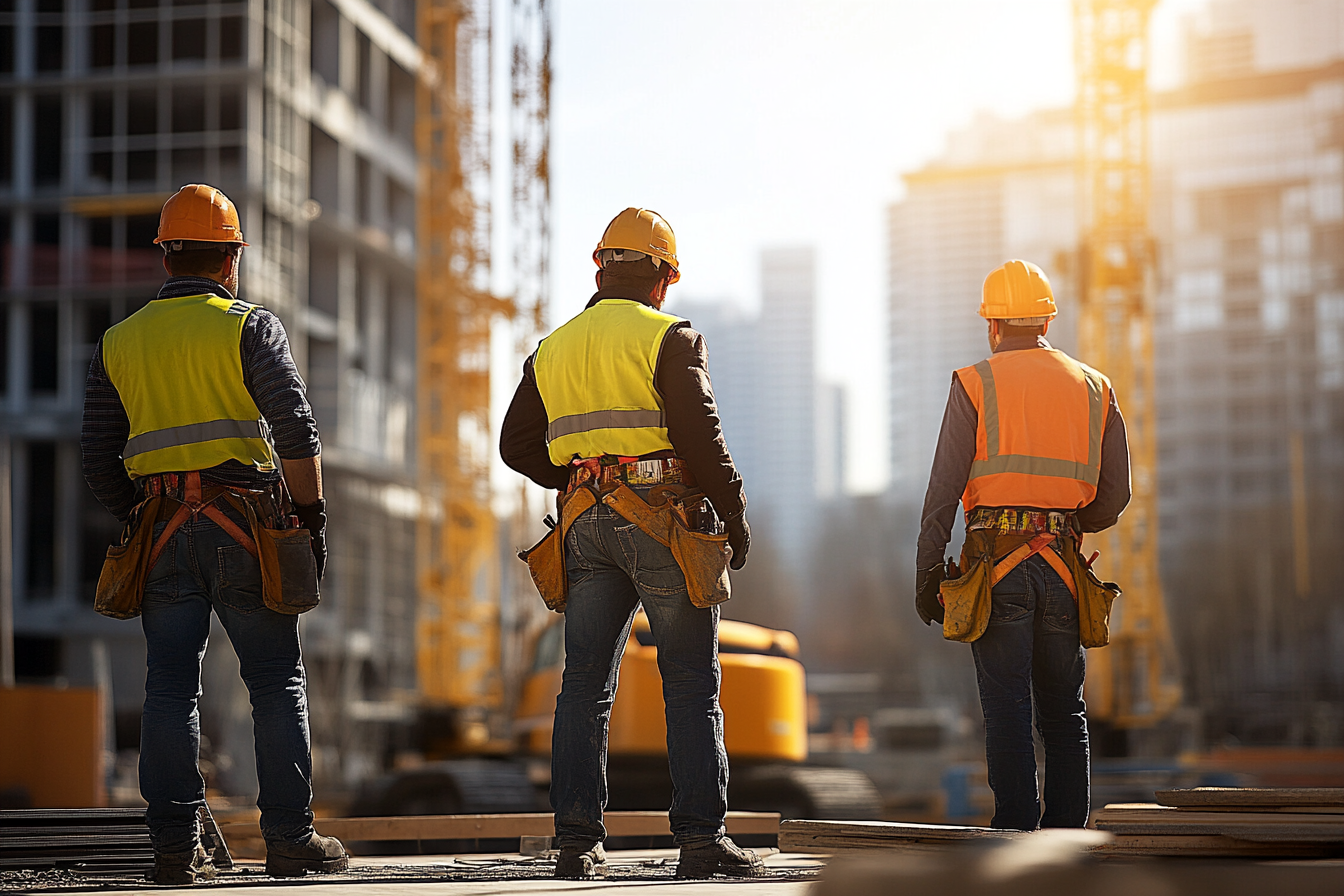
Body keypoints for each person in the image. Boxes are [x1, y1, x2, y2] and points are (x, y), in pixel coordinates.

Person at [81, 184, 346, 883]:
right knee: (276, 682)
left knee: (170, 688)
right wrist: (310, 519)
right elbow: (296, 430)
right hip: (246, 527)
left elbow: (96, 455)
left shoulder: (119, 341)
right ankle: (289, 841)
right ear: (231, 260)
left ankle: (173, 847)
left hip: (163, 529)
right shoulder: (247, 325)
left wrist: (137, 514)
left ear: (166, 256)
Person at [500, 208, 762, 879]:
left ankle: (576, 846)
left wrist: (584, 477)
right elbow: (701, 437)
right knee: (691, 685)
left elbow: (515, 445)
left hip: (585, 524)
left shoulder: (552, 346)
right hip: (663, 522)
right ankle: (701, 841)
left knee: (583, 688)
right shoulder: (669, 337)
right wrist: (732, 513)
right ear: (661, 279)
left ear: (599, 269)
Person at [914, 259, 1131, 831]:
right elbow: (1115, 498)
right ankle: (1067, 841)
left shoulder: (974, 382)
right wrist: (1065, 522)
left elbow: (942, 491)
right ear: (1046, 320)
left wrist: (927, 574)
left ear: (992, 326)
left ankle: (1014, 832)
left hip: (995, 567)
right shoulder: (1095, 387)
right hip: (1062, 566)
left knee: (1007, 709)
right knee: (1065, 712)